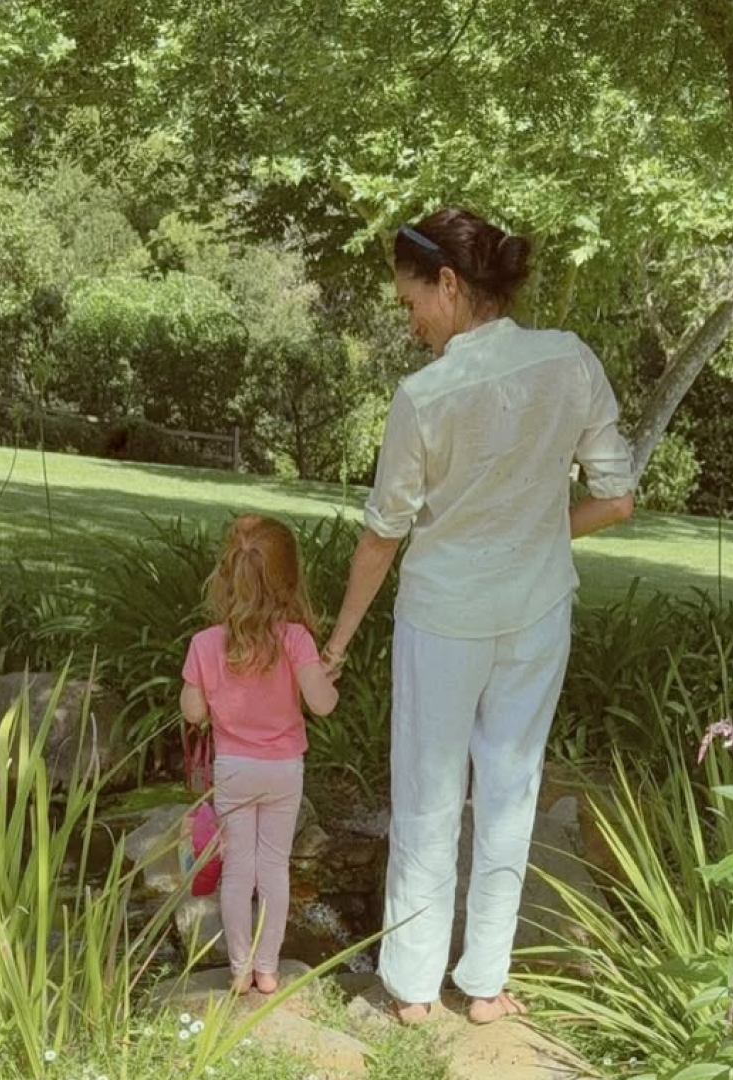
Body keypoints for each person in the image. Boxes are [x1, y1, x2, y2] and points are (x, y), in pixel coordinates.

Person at [321, 207, 636, 1026]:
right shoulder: (569, 361)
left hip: (445, 615)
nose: (411, 321)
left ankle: (415, 988)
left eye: (409, 302)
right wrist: (535, 530)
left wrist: (338, 642)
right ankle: (487, 984)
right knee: (512, 786)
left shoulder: (425, 397)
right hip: (537, 613)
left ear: (450, 284)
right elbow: (617, 496)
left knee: (427, 791)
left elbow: (382, 535)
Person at [180, 515, 340, 996]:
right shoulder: (296, 640)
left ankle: (238, 968)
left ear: (227, 577)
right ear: (289, 581)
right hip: (283, 770)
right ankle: (268, 969)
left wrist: (206, 690)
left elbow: (193, 712)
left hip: (233, 770)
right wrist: (326, 675)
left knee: (237, 870)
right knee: (273, 867)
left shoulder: (205, 644)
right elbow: (322, 705)